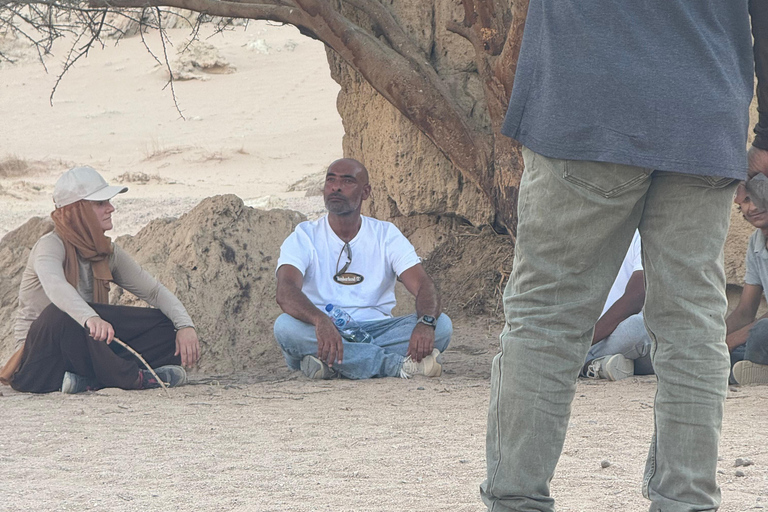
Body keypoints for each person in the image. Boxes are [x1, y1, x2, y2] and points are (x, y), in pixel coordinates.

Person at [481, 2, 768, 511]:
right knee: (693, 324)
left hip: (584, 106)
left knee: (547, 316)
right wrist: (766, 135)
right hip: (702, 118)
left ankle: (516, 498)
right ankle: (685, 500)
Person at [0, 166, 200, 394]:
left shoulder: (106, 251)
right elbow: (56, 288)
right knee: (61, 315)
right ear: (77, 211)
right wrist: (90, 318)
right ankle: (133, 378)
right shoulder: (49, 245)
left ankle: (88, 381)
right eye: (100, 203)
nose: (111, 208)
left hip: (86, 350)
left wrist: (185, 325)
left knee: (165, 326)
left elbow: (153, 292)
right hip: (39, 365)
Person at [273, 158, 452, 380]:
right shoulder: (304, 236)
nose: (336, 187)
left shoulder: (386, 235)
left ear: (365, 192)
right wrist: (320, 320)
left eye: (347, 181)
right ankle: (396, 366)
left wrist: (425, 323)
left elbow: (423, 285)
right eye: (331, 180)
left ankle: (333, 365)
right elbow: (286, 290)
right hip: (321, 329)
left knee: (441, 325)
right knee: (286, 328)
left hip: (376, 329)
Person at [581, 231, 653, 381]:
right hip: (593, 338)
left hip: (617, 335)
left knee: (638, 328)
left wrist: (583, 341)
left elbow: (637, 297)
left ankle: (583, 363)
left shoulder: (641, 234)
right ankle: (599, 365)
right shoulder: (579, 232)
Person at [725, 177, 768, 386]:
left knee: (760, 333)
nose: (752, 207)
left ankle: (743, 369)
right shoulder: (756, 242)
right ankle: (753, 370)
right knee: (706, 352)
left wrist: (732, 341)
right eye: (746, 200)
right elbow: (744, 311)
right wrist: (713, 342)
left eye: (757, 197)